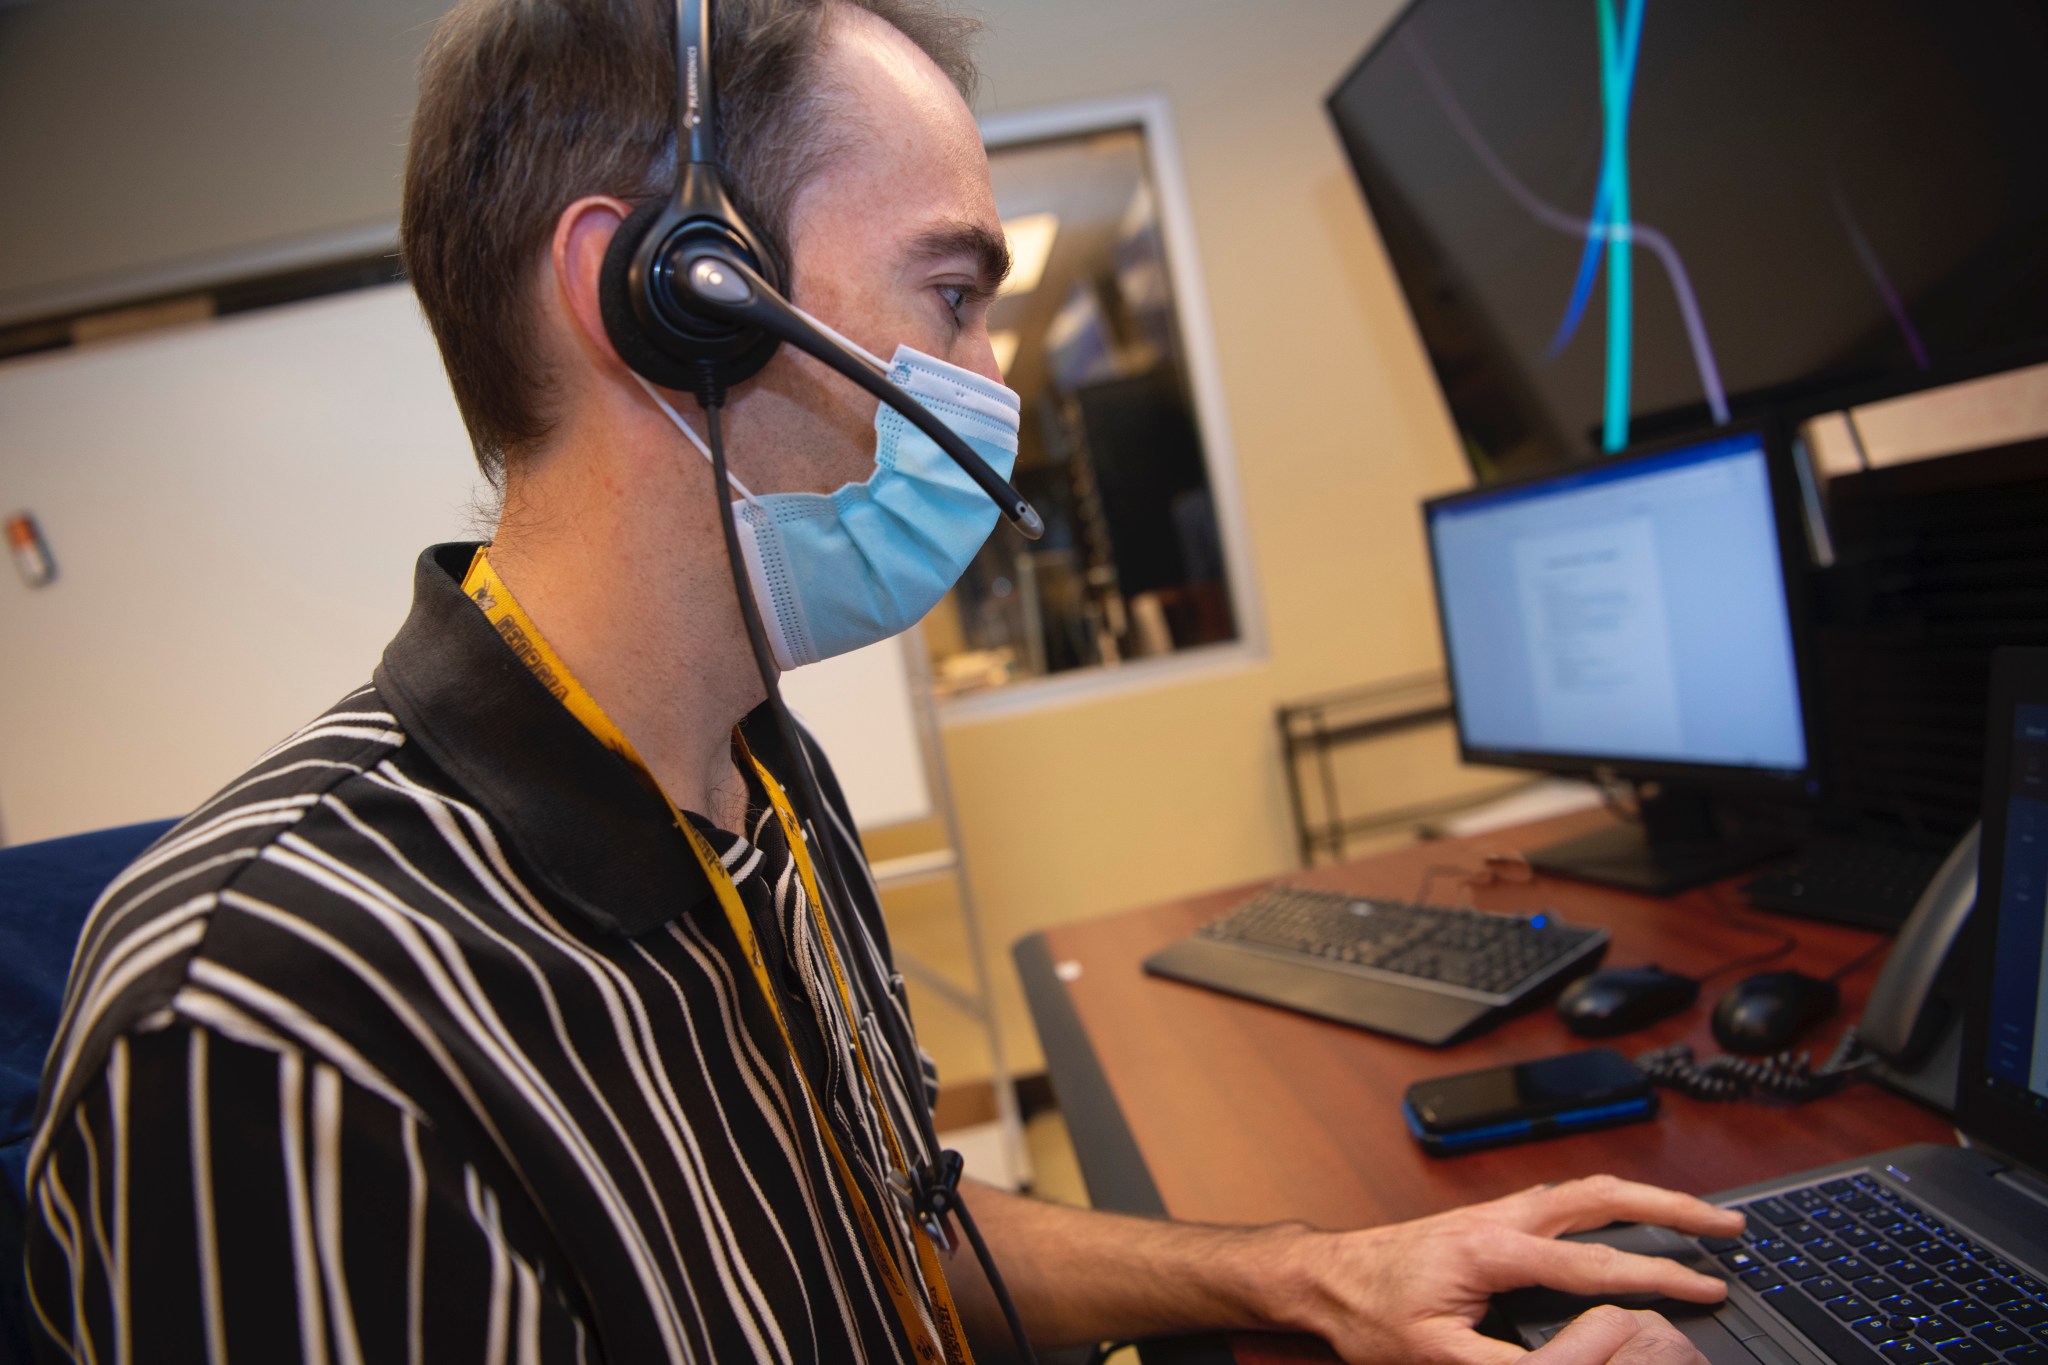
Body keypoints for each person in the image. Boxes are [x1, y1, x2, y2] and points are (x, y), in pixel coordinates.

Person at [22, 0, 1745, 1360]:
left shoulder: (753, 778)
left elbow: (889, 1234)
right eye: (953, 293)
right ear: (666, 305)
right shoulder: (268, 1027)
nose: (992, 391)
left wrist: (1319, 1274)